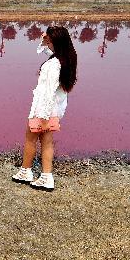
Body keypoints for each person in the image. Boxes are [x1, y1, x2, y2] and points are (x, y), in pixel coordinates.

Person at [12, 26, 77, 191]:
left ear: (55, 41)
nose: (45, 40)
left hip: (43, 110)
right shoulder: (65, 59)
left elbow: (48, 92)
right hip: (55, 110)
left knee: (30, 139)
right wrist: (44, 40)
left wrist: (42, 116)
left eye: (48, 38)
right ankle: (46, 176)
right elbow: (43, 51)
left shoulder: (53, 65)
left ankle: (25, 171)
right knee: (47, 143)